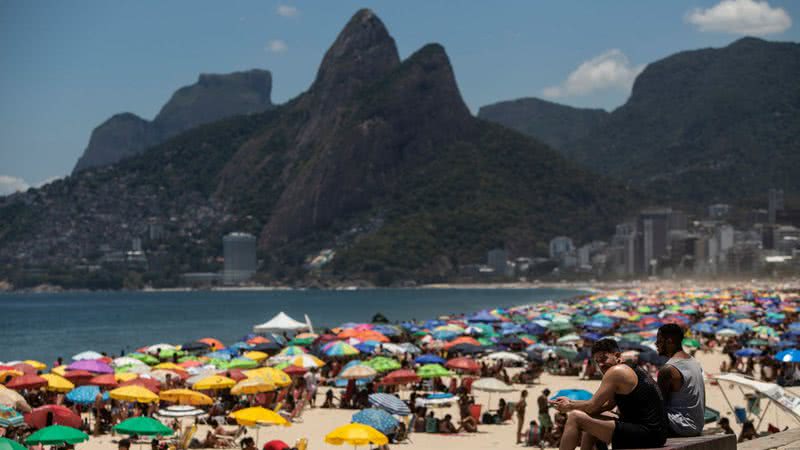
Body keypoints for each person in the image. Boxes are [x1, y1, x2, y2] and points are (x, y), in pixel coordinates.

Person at [551, 338, 668, 450]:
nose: (601, 364)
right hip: (656, 432)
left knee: (575, 417)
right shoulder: (629, 367)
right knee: (590, 415)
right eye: (597, 362)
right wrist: (570, 402)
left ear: (617, 356)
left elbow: (592, 406)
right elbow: (608, 404)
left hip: (649, 435)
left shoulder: (616, 372)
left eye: (603, 359)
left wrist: (569, 406)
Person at [656, 324, 706, 437]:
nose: (656, 344)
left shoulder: (668, 369)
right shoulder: (694, 361)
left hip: (680, 426)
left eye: (659, 341)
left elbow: (659, 404)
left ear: (669, 341)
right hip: (697, 425)